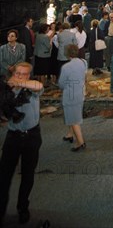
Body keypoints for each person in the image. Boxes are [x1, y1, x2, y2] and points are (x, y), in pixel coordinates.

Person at [0, 62, 43, 225]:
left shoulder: (32, 89)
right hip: (13, 138)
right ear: (13, 72)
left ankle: (23, 208)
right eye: (18, 73)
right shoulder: (6, 89)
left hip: (32, 137)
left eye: (25, 74)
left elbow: (38, 85)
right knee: (4, 176)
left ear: (29, 75)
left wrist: (19, 82)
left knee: (28, 175)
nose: (20, 76)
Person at [58, 44, 87, 152]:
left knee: (74, 119)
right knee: (74, 115)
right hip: (80, 92)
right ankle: (70, 134)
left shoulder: (66, 67)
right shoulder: (83, 62)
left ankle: (80, 142)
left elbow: (61, 84)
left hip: (70, 95)